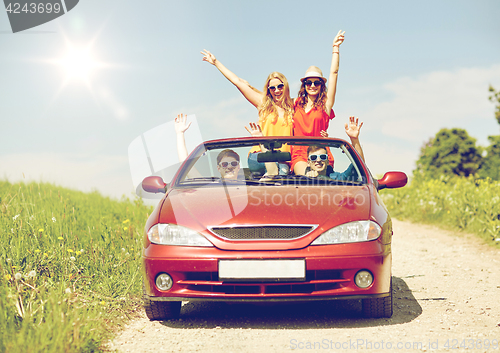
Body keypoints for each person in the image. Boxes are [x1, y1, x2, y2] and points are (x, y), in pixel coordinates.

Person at [200, 50, 294, 175]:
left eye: (280, 86)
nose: (276, 90)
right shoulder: (264, 104)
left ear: (286, 86)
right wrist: (216, 62)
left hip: (283, 159)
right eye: (272, 88)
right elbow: (237, 81)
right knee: (279, 173)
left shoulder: (293, 107)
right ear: (269, 90)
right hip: (259, 156)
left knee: (284, 176)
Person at [292, 30, 345, 175]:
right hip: (299, 154)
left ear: (322, 85)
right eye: (309, 82)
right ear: (304, 85)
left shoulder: (326, 105)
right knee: (308, 177)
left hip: (321, 155)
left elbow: (334, 73)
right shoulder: (295, 104)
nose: (313, 86)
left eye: (317, 82)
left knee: (321, 183)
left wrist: (335, 49)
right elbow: (270, 99)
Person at [175, 114, 241, 180]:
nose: (229, 167)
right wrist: (180, 133)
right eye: (224, 164)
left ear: (238, 167)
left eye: (234, 163)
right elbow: (186, 165)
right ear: (219, 168)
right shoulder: (210, 188)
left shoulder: (249, 188)